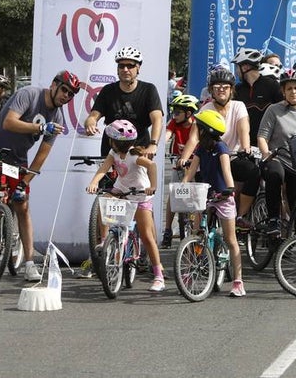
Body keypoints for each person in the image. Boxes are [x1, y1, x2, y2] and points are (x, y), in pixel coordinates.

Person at [0, 70, 77, 281]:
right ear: (54, 85)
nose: (66, 96)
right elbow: (9, 122)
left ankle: (30, 263)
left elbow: (43, 152)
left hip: (17, 159)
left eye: (71, 95)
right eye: (64, 90)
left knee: (22, 204)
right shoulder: (29, 94)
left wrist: (25, 182)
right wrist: (41, 126)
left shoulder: (58, 116)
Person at [85, 120, 165, 291]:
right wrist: (93, 183)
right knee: (104, 200)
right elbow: (103, 169)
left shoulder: (135, 156)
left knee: (147, 236)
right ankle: (105, 240)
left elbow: (152, 166)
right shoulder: (113, 154)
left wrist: (152, 186)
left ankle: (158, 275)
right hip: (121, 190)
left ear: (114, 141)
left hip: (140, 195)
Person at [182, 66, 260, 225]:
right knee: (203, 197)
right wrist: (183, 158)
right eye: (217, 87)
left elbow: (244, 130)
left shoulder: (239, 106)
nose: (221, 90)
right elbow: (194, 138)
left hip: (233, 157)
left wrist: (246, 148)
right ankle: (199, 235)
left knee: (253, 172)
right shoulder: (206, 109)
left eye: (225, 87)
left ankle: (241, 215)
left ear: (232, 90)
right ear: (211, 90)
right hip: (211, 159)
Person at [183, 107, 246, 297]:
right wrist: (183, 185)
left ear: (207, 131)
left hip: (222, 195)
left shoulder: (221, 148)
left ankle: (238, 281)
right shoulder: (201, 149)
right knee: (196, 232)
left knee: (230, 239)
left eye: (199, 128)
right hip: (205, 194)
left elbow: (227, 171)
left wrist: (229, 190)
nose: (196, 131)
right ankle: (187, 274)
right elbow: (192, 171)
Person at [82, 46, 164, 161]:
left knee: (139, 179)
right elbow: (93, 116)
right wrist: (90, 124)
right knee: (106, 178)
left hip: (139, 150)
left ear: (138, 67)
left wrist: (153, 144)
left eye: (130, 65)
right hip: (111, 152)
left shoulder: (149, 89)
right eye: (121, 66)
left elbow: (157, 119)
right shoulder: (107, 90)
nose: (125, 69)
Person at [256, 71, 296, 232]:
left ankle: (294, 237)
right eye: (289, 89)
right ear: (283, 91)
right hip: (278, 158)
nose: (293, 92)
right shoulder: (274, 110)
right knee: (275, 174)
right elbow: (262, 137)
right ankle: (273, 219)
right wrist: (266, 154)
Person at [161, 93, 200, 248]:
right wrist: (158, 145)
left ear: (189, 113)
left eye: (178, 112)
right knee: (173, 194)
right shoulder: (174, 124)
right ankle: (167, 230)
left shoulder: (197, 124)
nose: (174, 115)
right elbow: (166, 135)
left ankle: (196, 230)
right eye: (173, 112)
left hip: (195, 163)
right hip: (178, 162)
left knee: (197, 195)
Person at [232, 48, 283, 147]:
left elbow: (283, 111)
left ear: (245, 67)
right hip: (244, 144)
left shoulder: (272, 85)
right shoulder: (237, 89)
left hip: (268, 143)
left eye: (237, 67)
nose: (237, 71)